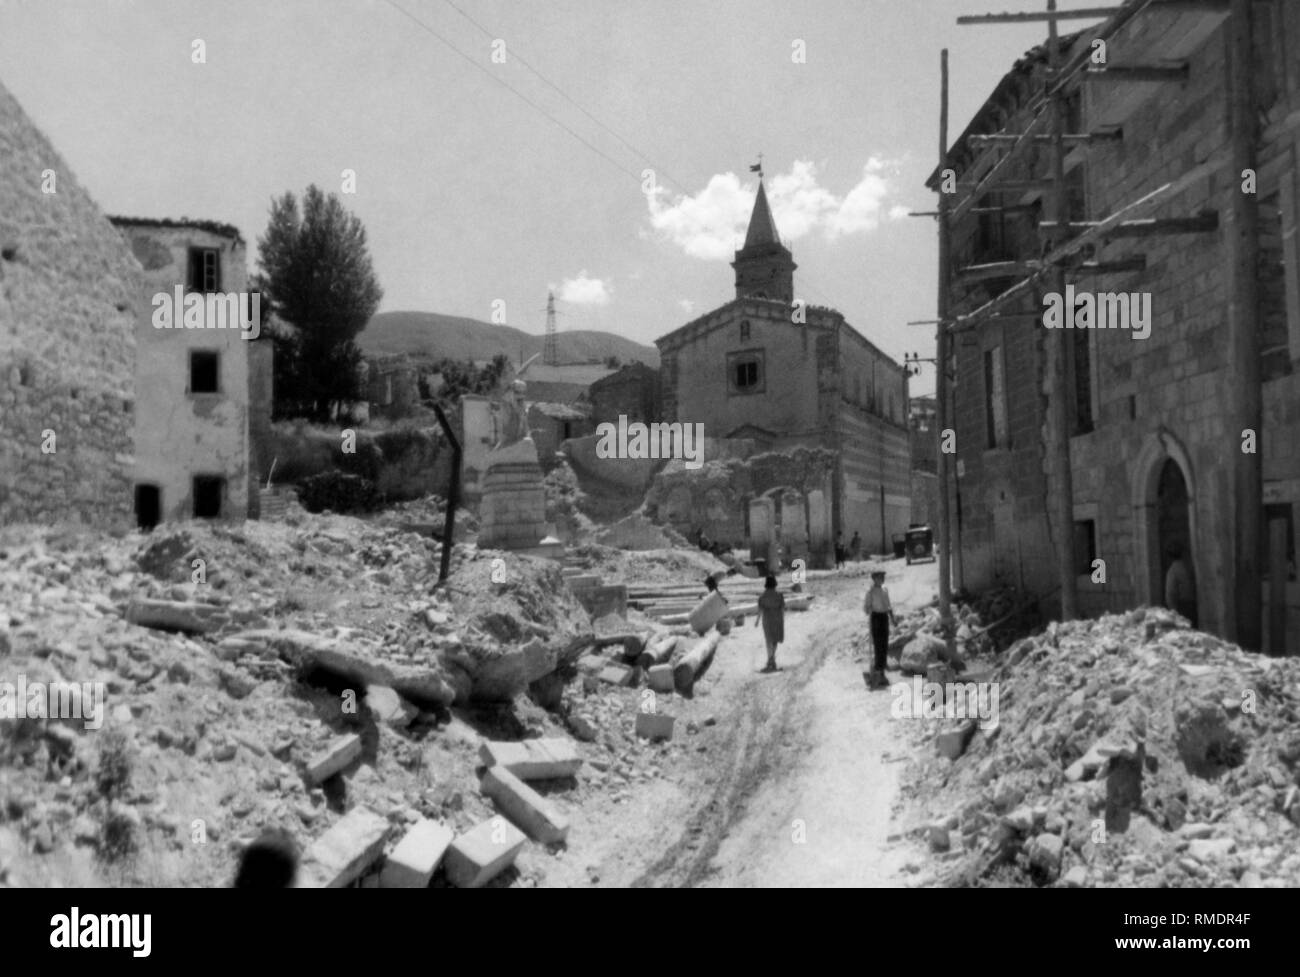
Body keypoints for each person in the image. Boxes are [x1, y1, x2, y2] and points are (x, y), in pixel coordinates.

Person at [864, 568, 896, 677]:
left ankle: (882, 668)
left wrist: (893, 618)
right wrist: (869, 609)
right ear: (874, 579)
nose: (882, 579)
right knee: (878, 644)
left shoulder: (885, 589)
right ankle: (878, 669)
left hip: (884, 617)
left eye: (883, 577)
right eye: (880, 577)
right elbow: (866, 608)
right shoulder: (870, 591)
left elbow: (888, 605)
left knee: (884, 643)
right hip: (876, 617)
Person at [755, 574, 786, 673]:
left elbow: (760, 610)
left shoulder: (762, 597)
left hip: (767, 620)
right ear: (775, 584)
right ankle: (772, 660)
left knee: (768, 640)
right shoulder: (779, 596)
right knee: (775, 640)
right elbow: (782, 609)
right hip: (778, 619)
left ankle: (770, 661)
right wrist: (782, 620)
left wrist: (757, 621)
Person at [1164, 542, 1197, 628]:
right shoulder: (1189, 567)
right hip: (1193, 604)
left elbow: (1170, 592)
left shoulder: (1173, 571)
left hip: (1182, 606)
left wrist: (1172, 610)